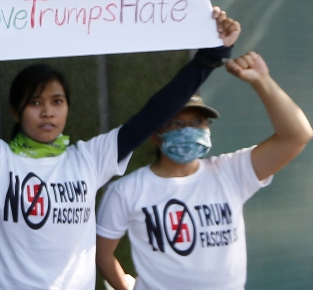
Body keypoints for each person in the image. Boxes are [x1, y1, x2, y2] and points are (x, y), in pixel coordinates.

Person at [0, 8, 241, 290]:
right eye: (35, 102)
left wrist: (210, 58)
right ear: (16, 112)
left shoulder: (90, 159)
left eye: (57, 101)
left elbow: (153, 114)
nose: (48, 112)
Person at [95, 51, 312, 290]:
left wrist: (262, 80)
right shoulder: (126, 191)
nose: (189, 130)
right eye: (177, 123)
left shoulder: (231, 172)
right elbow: (102, 254)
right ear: (155, 136)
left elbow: (297, 136)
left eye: (199, 122)